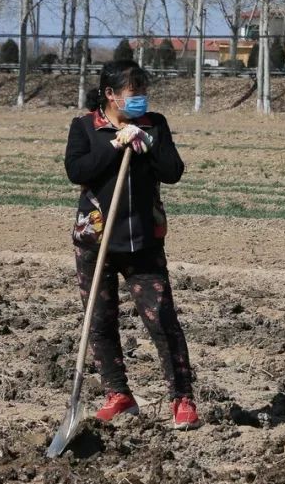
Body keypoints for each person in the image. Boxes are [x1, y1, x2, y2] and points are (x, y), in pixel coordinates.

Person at [64, 59, 199, 430]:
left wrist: (147, 143)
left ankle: (182, 398)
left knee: (162, 320)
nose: (140, 97)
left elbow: (174, 172)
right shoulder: (84, 127)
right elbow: (77, 171)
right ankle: (118, 394)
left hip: (143, 242)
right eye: (132, 91)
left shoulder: (154, 125)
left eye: (143, 90)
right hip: (96, 241)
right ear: (110, 95)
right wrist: (113, 145)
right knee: (100, 322)